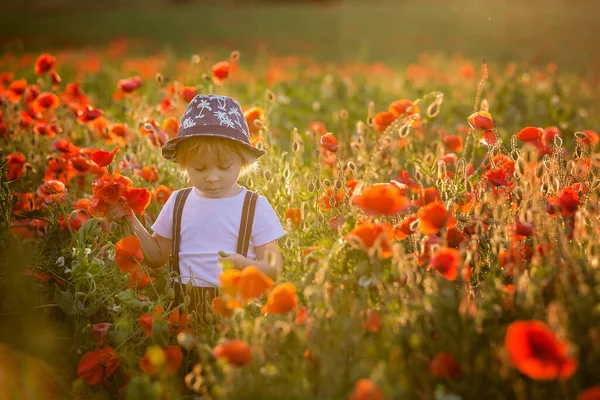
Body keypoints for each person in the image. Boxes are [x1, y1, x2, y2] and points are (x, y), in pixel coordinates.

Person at [108, 94, 286, 322]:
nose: (212, 177)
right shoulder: (178, 202)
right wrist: (131, 219)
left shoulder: (254, 206)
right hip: (182, 310)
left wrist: (247, 266)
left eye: (223, 167)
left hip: (234, 313)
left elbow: (274, 268)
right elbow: (156, 256)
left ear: (242, 161)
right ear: (184, 164)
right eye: (200, 168)